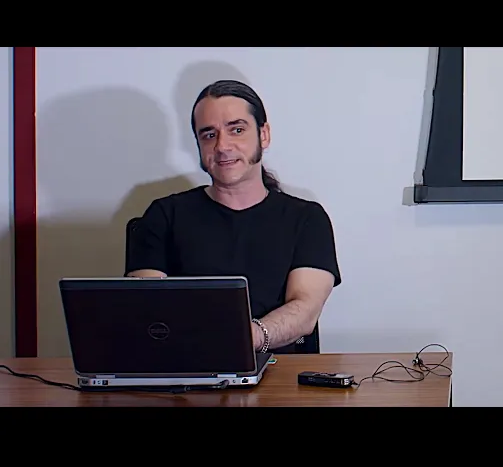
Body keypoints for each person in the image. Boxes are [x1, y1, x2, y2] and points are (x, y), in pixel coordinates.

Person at [125, 79, 341, 354]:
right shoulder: (164, 215)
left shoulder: (307, 219)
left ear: (263, 135)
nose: (222, 146)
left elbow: (305, 310)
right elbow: (146, 309)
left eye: (237, 130)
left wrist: (244, 338)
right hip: (186, 368)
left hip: (279, 370)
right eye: (209, 134)